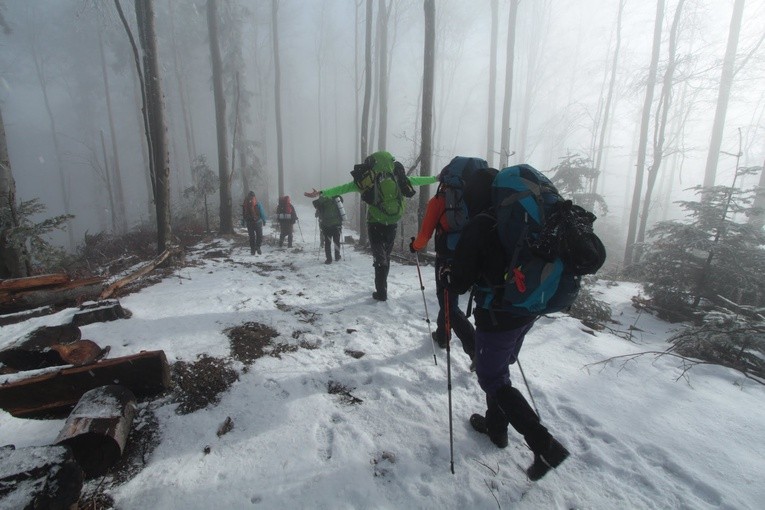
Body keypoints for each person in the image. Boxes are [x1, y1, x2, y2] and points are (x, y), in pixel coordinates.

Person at [439, 168, 570, 481]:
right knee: (500, 367)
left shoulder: (482, 224)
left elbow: (459, 283)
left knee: (493, 378)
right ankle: (496, 428)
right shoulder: (521, 222)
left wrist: (447, 276)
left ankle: (544, 445)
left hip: (498, 314)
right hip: (529, 308)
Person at [305, 151, 437, 301]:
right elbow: (417, 180)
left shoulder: (366, 181)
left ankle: (381, 291)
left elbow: (342, 188)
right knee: (385, 256)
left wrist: (321, 192)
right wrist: (435, 178)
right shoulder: (398, 178)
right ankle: (383, 284)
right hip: (392, 223)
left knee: (379, 258)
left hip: (375, 223)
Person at [408, 172, 476, 363]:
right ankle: (443, 335)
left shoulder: (439, 199)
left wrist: (415, 247)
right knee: (448, 298)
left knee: (448, 302)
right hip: (471, 256)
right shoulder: (472, 196)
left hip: (447, 257)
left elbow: (425, 235)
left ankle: (475, 349)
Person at [313, 195, 344, 264]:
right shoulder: (337, 201)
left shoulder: (323, 203)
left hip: (326, 226)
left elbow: (317, 214)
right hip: (336, 225)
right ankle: (337, 256)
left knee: (327, 243)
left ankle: (329, 259)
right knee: (336, 241)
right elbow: (341, 213)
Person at [242, 191, 267, 255]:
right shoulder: (257, 203)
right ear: (254, 196)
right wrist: (264, 220)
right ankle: (258, 246)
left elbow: (243, 214)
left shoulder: (245, 204)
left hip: (249, 222)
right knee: (259, 235)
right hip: (257, 222)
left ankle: (252, 250)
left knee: (251, 237)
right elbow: (262, 212)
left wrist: (243, 222)